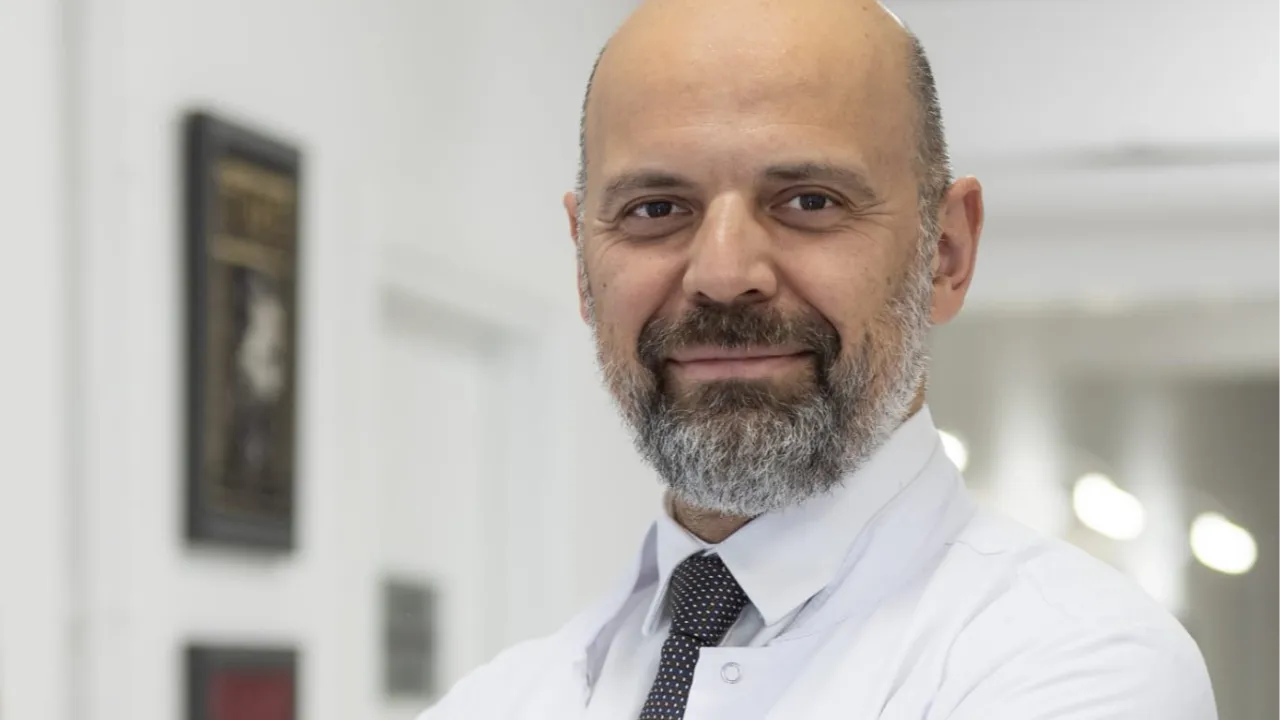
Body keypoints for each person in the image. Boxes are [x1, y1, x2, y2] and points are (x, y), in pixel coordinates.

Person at [419, 0, 1217, 717]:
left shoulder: (1083, 663)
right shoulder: (496, 699)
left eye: (809, 201)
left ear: (945, 252)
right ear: (582, 265)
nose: (723, 275)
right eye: (655, 209)